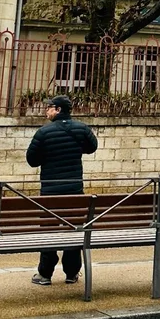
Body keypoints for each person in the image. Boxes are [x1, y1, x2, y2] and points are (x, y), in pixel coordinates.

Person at [25, 94, 98, 286]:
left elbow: (32, 160)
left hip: (50, 192)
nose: (46, 111)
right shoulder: (81, 129)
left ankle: (45, 274)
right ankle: (72, 273)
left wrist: (48, 157)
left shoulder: (43, 132)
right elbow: (92, 147)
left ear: (58, 110)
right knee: (73, 230)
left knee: (48, 231)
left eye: (49, 107)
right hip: (74, 191)